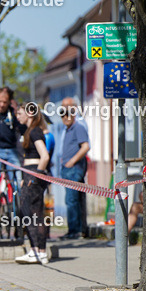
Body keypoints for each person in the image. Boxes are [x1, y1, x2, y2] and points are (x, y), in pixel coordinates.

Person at [15, 105, 51, 264]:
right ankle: (39, 251)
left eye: (19, 113)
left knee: (29, 211)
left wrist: (36, 176)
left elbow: (44, 156)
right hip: (29, 172)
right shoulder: (29, 131)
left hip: (34, 173)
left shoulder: (35, 131)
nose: (17, 116)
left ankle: (37, 251)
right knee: (35, 213)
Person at [58, 98, 90, 240]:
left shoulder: (78, 127)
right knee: (72, 199)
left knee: (72, 200)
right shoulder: (68, 129)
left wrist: (72, 161)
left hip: (74, 168)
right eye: (62, 113)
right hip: (67, 168)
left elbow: (86, 147)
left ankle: (75, 231)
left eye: (68, 112)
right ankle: (76, 229)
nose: (65, 117)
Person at [0, 87, 25, 199]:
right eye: (0, 101)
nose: (1, 105)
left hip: (12, 150)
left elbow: (22, 129)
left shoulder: (12, 114)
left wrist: (18, 114)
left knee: (19, 178)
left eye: (5, 102)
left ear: (9, 102)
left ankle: (20, 207)